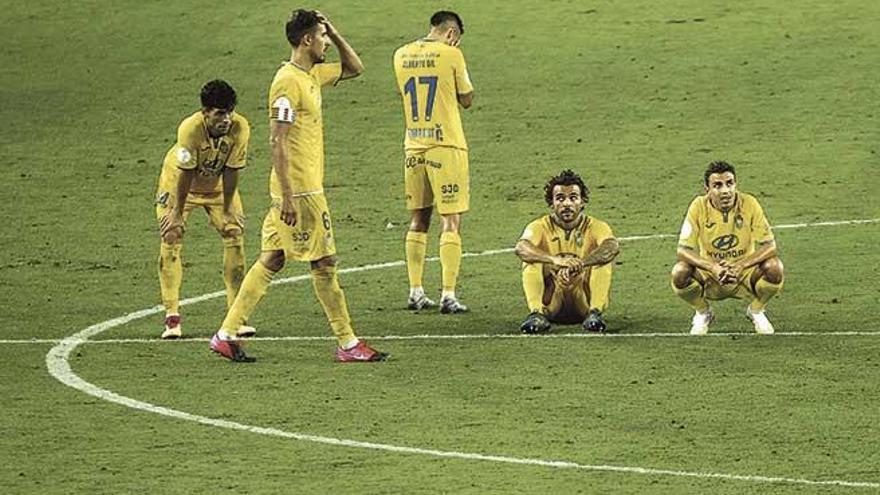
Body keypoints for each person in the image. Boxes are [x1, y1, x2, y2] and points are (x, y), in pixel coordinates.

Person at [209, 9, 386, 362]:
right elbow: (277, 140)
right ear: (306, 40)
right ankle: (348, 343)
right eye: (320, 36)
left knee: (272, 258)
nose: (325, 42)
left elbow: (355, 68)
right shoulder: (287, 82)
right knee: (325, 262)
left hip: (298, 187)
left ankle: (226, 334)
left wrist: (333, 30)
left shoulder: (311, 75)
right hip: (301, 190)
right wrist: (289, 196)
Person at [155, 80, 254, 340]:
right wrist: (176, 212)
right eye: (220, 113)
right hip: (178, 184)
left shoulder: (240, 128)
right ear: (205, 112)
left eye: (230, 111)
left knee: (234, 231)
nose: (227, 119)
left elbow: (232, 170)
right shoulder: (189, 130)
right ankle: (172, 317)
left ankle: (236, 315)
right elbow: (184, 175)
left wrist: (229, 205)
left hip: (217, 185)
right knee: (172, 234)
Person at [393, 11, 474, 313]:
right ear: (452, 34)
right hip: (446, 145)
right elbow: (466, 98)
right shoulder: (452, 54)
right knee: (450, 221)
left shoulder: (400, 55)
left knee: (418, 219)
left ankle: (415, 291)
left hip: (413, 146)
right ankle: (448, 295)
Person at [671, 160, 784, 335]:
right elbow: (682, 251)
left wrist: (740, 266)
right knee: (679, 272)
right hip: (710, 274)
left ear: (735, 184)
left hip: (745, 272)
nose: (725, 191)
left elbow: (770, 246)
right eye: (717, 185)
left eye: (729, 183)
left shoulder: (749, 203)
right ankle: (703, 312)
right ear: (707, 189)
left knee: (775, 268)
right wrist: (713, 267)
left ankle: (756, 310)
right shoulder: (698, 206)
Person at [515, 170, 619, 334]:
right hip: (552, 301)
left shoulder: (596, 226)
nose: (567, 204)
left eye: (573, 197)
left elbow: (612, 247)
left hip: (583, 300)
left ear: (582, 201)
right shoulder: (539, 227)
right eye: (560, 198)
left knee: (603, 259)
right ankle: (536, 314)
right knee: (530, 259)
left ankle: (595, 313)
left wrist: (580, 264)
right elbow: (521, 247)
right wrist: (555, 261)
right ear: (551, 203)